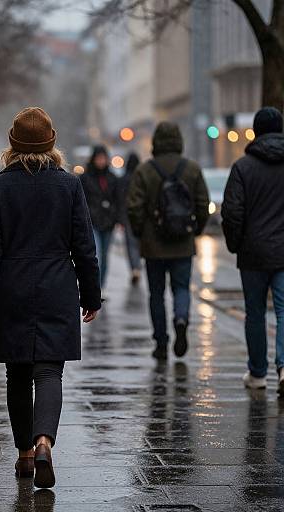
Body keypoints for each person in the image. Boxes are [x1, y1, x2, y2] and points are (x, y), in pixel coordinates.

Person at [0, 107, 101, 488]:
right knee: (48, 372)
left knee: (18, 374)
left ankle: (25, 455)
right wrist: (91, 295)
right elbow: (84, 247)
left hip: (12, 288)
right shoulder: (69, 186)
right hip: (58, 286)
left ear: (12, 145)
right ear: (51, 143)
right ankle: (45, 442)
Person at [127, 122, 209, 360]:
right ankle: (181, 319)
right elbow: (202, 204)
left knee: (156, 293)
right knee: (182, 288)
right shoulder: (191, 169)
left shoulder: (145, 170)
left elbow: (134, 207)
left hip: (154, 245)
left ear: (156, 142)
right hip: (183, 242)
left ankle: (161, 342)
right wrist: (196, 230)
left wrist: (141, 232)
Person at [222, 107, 284, 393]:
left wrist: (237, 244)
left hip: (254, 253)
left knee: (255, 313)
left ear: (256, 132)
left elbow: (232, 212)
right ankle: (283, 368)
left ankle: (258, 373)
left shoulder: (242, 167)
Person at [80, 145, 118, 290]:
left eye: (104, 158)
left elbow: (117, 199)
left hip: (108, 222)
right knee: (97, 255)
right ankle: (95, 287)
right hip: (92, 222)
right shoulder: (85, 178)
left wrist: (115, 216)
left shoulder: (112, 178)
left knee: (105, 255)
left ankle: (101, 286)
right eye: (99, 158)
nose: (101, 161)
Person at [118, 152, 142, 284]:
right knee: (139, 243)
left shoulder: (123, 180)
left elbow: (120, 200)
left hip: (127, 216)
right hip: (141, 216)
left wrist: (120, 219)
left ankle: (134, 268)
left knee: (130, 244)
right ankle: (138, 265)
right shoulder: (141, 178)